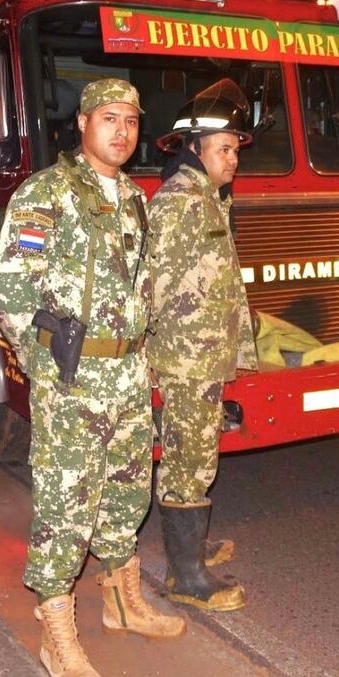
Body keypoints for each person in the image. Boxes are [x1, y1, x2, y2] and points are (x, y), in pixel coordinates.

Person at [0, 78, 185, 677]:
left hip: (126, 374)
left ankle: (121, 602)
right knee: (66, 506)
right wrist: (42, 365)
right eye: (108, 118)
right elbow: (10, 286)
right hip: (72, 380)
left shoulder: (132, 198)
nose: (121, 131)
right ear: (82, 123)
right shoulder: (46, 194)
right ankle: (56, 632)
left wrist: (145, 355)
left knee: (128, 494)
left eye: (130, 120)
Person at [148, 78, 258, 610]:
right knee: (188, 457)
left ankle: (191, 547)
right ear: (195, 149)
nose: (234, 158)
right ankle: (183, 576)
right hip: (186, 356)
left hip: (205, 350)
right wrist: (149, 354)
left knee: (199, 452)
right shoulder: (179, 202)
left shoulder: (209, 198)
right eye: (226, 148)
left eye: (235, 149)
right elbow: (155, 284)